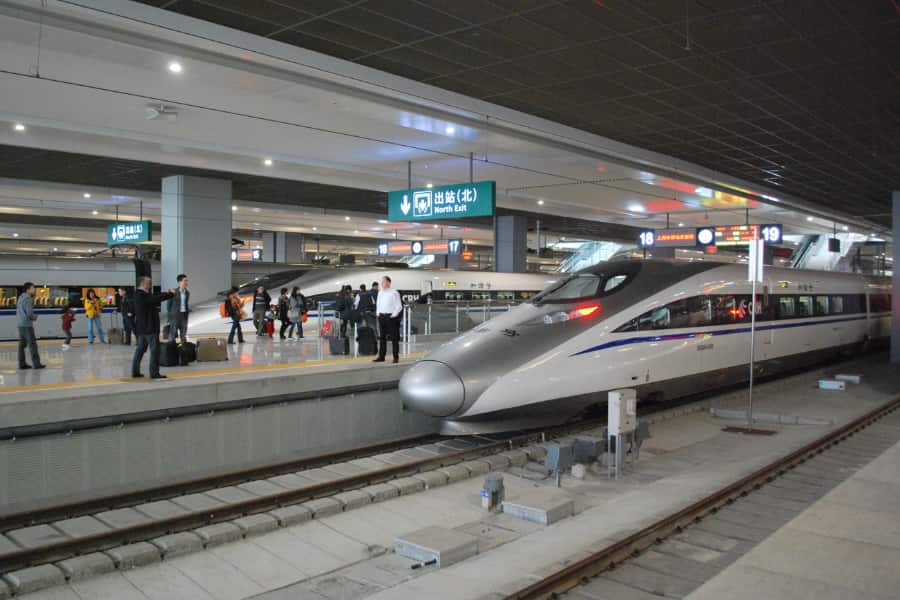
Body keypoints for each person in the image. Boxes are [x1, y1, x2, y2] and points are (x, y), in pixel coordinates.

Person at [132, 276, 175, 380]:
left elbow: (154, 297)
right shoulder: (142, 295)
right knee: (154, 351)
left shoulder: (140, 294)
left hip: (142, 329)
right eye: (148, 282)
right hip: (149, 329)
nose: (150, 284)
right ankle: (154, 373)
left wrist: (167, 293)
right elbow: (156, 298)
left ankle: (135, 372)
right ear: (142, 284)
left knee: (140, 350)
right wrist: (170, 294)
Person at [373, 275, 402, 364]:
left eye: (384, 282)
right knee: (382, 338)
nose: (382, 283)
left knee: (394, 338)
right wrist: (378, 313)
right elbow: (378, 303)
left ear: (389, 283)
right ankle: (381, 356)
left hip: (390, 317)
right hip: (381, 317)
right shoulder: (380, 292)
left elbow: (399, 306)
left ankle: (395, 357)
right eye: (381, 282)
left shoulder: (394, 293)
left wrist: (393, 315)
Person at [17, 282, 45, 370]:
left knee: (21, 345)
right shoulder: (28, 298)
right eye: (33, 288)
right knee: (32, 344)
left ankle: (21, 364)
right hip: (27, 324)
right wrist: (34, 317)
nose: (34, 289)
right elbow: (29, 313)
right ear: (28, 289)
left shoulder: (21, 297)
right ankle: (36, 364)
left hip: (20, 324)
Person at [167, 274, 190, 343]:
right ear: (180, 282)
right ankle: (171, 350)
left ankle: (184, 351)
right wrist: (170, 316)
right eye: (185, 281)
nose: (186, 282)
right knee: (172, 335)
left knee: (183, 334)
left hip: (184, 315)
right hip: (175, 316)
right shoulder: (173, 292)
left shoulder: (187, 292)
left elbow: (185, 304)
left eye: (187, 281)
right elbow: (169, 306)